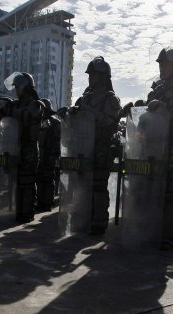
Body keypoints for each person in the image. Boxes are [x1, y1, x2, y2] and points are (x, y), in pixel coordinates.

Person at [123, 47, 173, 249]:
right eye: (161, 64)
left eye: (166, 64)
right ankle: (147, 233)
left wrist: (168, 112)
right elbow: (144, 124)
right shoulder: (155, 92)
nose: (162, 67)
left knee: (170, 197)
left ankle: (167, 238)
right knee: (146, 192)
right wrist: (133, 114)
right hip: (150, 150)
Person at [67, 56, 122, 234]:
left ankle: (99, 223)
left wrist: (87, 110)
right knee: (82, 185)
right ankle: (83, 219)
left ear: (102, 76)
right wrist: (72, 113)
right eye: (89, 74)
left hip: (101, 148)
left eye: (93, 74)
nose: (90, 77)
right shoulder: (85, 97)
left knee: (98, 186)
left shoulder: (110, 99)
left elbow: (108, 121)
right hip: (84, 147)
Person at [0, 72, 44, 223]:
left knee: (27, 182)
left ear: (26, 87)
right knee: (15, 182)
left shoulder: (36, 104)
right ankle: (17, 212)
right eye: (15, 87)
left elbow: (25, 117)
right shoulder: (15, 105)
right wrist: (2, 110)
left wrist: (9, 109)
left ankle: (26, 213)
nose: (16, 90)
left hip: (29, 149)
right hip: (15, 149)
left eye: (18, 87)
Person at [36, 98, 61, 212]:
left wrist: (54, 155)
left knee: (48, 179)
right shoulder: (38, 121)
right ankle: (40, 202)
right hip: (39, 155)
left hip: (50, 154)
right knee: (39, 179)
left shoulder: (55, 122)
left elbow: (58, 141)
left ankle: (47, 203)